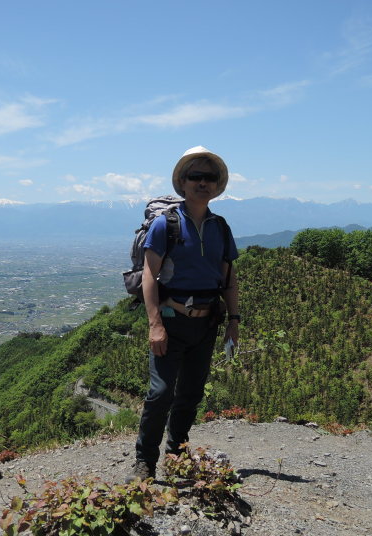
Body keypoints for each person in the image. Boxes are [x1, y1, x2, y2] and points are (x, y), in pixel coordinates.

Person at [128, 146, 240, 481]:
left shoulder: (221, 227)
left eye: (210, 177)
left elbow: (229, 279)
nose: (203, 182)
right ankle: (144, 461)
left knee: (190, 393)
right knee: (160, 393)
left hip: (206, 323)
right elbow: (150, 276)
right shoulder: (167, 225)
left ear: (217, 185)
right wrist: (155, 325)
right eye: (196, 176)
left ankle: (176, 457)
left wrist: (233, 322)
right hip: (172, 321)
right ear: (184, 182)